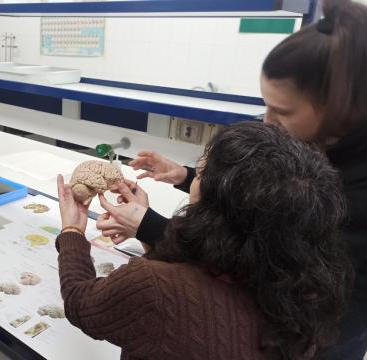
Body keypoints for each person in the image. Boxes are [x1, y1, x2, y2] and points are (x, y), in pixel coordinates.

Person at [97, 0, 367, 356]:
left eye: (282, 111)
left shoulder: (355, 194)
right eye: (265, 105)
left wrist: (148, 226)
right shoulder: (324, 144)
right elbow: (261, 200)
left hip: (310, 341)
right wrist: (187, 176)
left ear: (338, 105)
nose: (267, 121)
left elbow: (250, 276)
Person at [56, 121, 351, 359]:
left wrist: (72, 230)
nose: (193, 176)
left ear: (216, 207)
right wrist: (144, 229)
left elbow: (82, 303)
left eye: (199, 172)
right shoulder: (301, 288)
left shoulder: (152, 286)